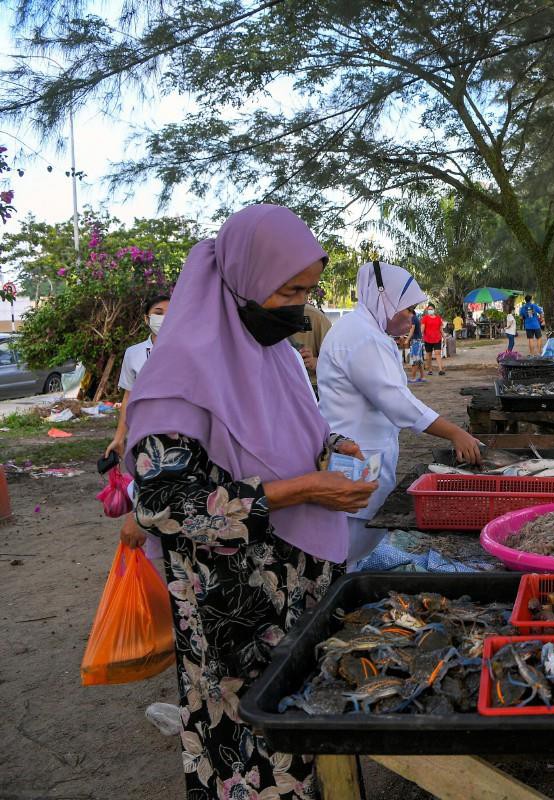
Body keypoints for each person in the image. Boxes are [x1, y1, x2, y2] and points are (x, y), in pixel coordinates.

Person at [124, 204, 378, 799]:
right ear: (243, 276)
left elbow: (301, 434)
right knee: (251, 743)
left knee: (312, 732)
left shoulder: (277, 355)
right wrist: (306, 489)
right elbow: (163, 505)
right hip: (232, 605)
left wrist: (334, 448)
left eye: (309, 292)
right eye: (289, 290)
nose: (299, 306)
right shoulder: (180, 371)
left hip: (301, 588)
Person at [318, 261, 483, 568]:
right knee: (346, 546)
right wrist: (454, 432)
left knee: (356, 543)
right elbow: (398, 403)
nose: (412, 317)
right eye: (407, 309)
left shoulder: (367, 332)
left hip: (365, 453)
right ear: (385, 300)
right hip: (355, 457)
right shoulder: (361, 337)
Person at [106, 294, 171, 460]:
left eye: (170, 313)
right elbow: (128, 397)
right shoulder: (133, 353)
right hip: (146, 433)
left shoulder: (188, 350)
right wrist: (119, 438)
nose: (164, 318)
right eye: (158, 313)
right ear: (146, 318)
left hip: (183, 432)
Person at [291, 302, 332, 398]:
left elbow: (336, 363)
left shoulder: (314, 317)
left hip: (310, 389)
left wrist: (314, 362)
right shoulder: (261, 316)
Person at [422, 304, 445, 375]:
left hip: (437, 338)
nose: (430, 310)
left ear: (434, 310)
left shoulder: (438, 318)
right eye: (429, 309)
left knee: (438, 353)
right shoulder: (425, 318)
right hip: (427, 339)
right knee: (429, 355)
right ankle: (430, 370)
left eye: (431, 309)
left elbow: (441, 329)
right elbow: (422, 328)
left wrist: (444, 337)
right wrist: (420, 336)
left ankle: (440, 370)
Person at [406, 309, 426, 383]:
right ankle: (422, 377)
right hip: (418, 341)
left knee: (415, 361)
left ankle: (413, 377)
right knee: (419, 360)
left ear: (409, 311)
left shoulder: (413, 318)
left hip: (416, 342)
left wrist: (407, 339)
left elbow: (411, 330)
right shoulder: (415, 318)